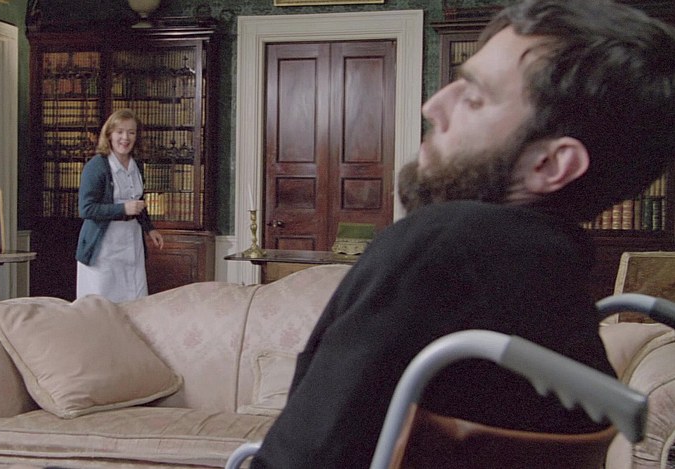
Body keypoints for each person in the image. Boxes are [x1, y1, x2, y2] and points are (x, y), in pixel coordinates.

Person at [251, 0, 675, 467]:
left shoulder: (441, 247)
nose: (433, 107)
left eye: (474, 98)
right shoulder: (555, 281)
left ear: (551, 164)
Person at [76, 108, 164, 303]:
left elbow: (138, 202)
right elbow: (86, 209)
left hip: (132, 242)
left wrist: (150, 229)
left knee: (134, 300)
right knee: (103, 304)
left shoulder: (137, 166)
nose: (125, 138)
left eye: (131, 132)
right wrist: (122, 209)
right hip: (103, 248)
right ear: (109, 135)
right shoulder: (96, 166)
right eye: (120, 132)